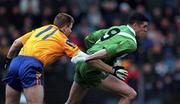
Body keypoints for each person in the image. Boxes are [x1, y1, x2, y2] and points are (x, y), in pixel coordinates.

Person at [2, 12, 105, 104]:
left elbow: (16, 43)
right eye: (70, 28)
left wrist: (8, 61)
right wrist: (104, 64)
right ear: (65, 27)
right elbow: (81, 56)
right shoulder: (62, 38)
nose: (70, 31)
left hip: (15, 63)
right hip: (31, 65)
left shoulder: (41, 29)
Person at [65, 12, 149, 104]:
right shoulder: (131, 43)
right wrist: (111, 69)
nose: (146, 30)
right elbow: (106, 52)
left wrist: (89, 55)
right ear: (135, 25)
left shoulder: (117, 28)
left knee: (71, 102)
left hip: (82, 65)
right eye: (144, 26)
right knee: (130, 94)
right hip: (93, 67)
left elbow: (89, 38)